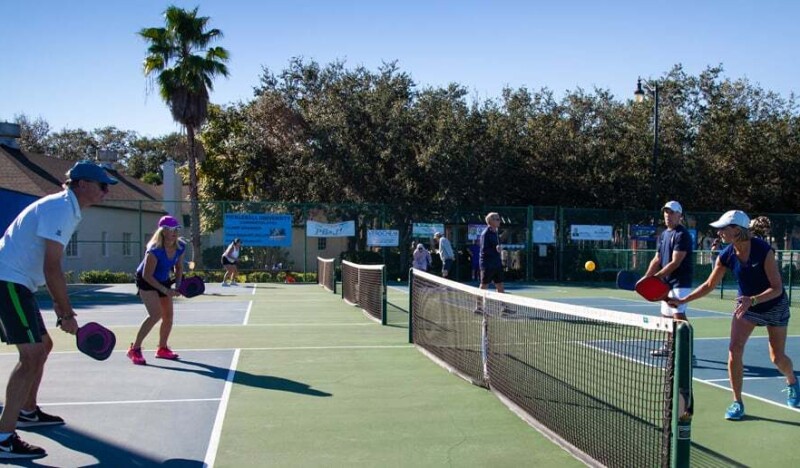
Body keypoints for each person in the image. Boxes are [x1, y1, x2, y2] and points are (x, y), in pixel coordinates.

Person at [0, 160, 117, 459]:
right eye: (102, 185)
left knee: (44, 345)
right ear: (82, 184)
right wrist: (66, 314)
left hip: (17, 282)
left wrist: (60, 307)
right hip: (7, 281)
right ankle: (3, 437)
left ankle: (27, 411)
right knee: (32, 356)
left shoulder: (66, 208)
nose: (106, 191)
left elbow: (49, 265)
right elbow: (52, 266)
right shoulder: (61, 208)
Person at [668, 210, 800, 420]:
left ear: (736, 231)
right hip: (746, 307)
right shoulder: (727, 254)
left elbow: (777, 288)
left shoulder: (763, 251)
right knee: (734, 349)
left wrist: (753, 299)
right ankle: (737, 402)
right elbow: (709, 284)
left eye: (723, 228)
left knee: (777, 358)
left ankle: (792, 380)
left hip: (773, 305)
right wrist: (683, 301)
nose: (719, 232)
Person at [127, 215, 185, 366]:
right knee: (155, 314)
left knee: (168, 316)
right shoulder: (154, 250)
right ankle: (135, 349)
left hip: (162, 279)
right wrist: (166, 290)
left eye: (176, 229)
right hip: (146, 280)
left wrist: (178, 285)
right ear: (163, 231)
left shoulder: (180, 246)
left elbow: (178, 267)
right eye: (171, 229)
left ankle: (162, 348)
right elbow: (147, 275)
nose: (174, 232)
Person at [641, 201, 695, 363]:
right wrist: (646, 278)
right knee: (666, 316)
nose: (668, 216)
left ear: (679, 215)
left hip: (680, 282)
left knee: (678, 315)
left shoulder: (682, 235)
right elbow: (657, 259)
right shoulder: (664, 234)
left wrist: (655, 278)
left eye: (671, 213)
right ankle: (669, 346)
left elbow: (675, 262)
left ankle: (687, 350)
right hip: (666, 282)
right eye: (666, 212)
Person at [479, 212, 505, 293]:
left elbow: (497, 247)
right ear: (491, 221)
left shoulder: (496, 233)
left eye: (499, 219)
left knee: (500, 285)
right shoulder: (485, 234)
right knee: (484, 285)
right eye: (497, 219)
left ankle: (502, 305)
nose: (499, 221)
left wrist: (498, 248)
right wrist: (495, 249)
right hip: (487, 265)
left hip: (497, 263)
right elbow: (484, 250)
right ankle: (479, 305)